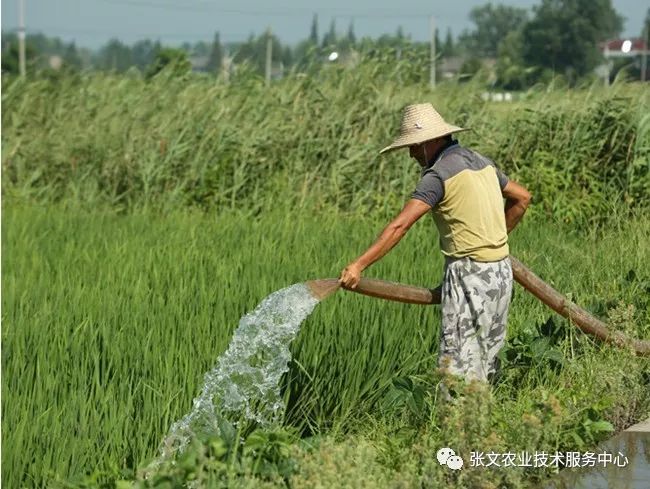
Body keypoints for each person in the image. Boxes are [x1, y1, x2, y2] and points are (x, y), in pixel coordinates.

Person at [338, 103, 531, 384]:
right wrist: (493, 240)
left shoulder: (437, 175)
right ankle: (483, 421)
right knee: (486, 359)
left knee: (456, 365)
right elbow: (522, 197)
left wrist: (358, 265)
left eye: (415, 146)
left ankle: (455, 426)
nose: (411, 153)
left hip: (469, 274)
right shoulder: (481, 161)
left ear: (430, 141)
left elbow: (400, 225)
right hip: (501, 272)